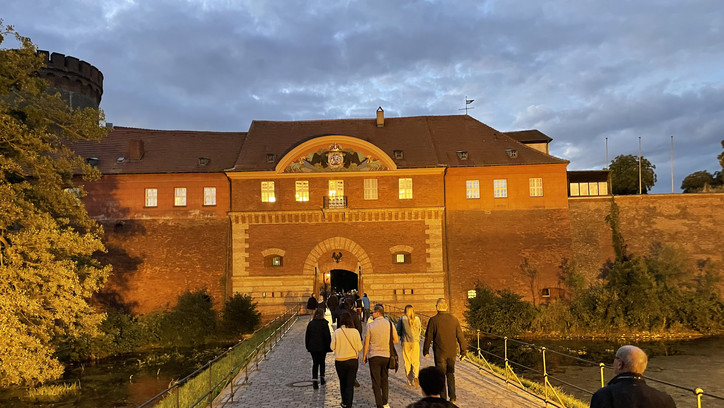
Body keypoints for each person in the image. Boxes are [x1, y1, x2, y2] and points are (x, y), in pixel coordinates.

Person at [590, 345, 676, 408]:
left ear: (620, 364)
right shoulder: (665, 400)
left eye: (615, 358)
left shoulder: (604, 395)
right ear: (644, 367)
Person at [423, 298, 465, 404]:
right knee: (450, 374)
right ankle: (453, 398)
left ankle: (443, 399)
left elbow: (428, 336)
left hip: (440, 352)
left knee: (440, 376)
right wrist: (463, 351)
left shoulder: (433, 320)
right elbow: (460, 336)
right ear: (446, 307)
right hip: (452, 352)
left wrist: (426, 350)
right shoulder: (454, 319)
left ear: (437, 307)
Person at [363, 304, 399, 408]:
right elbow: (396, 340)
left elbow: (366, 342)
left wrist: (364, 355)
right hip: (386, 355)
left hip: (374, 356)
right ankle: (385, 402)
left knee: (375, 381)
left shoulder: (370, 325)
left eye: (372, 312)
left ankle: (379, 404)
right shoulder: (390, 324)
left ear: (377, 313)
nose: (371, 314)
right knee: (385, 379)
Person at [331, 311, 362, 408]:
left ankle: (344, 401)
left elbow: (332, 347)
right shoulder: (355, 332)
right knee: (350, 383)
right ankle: (349, 404)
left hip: (340, 361)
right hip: (352, 361)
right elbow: (359, 347)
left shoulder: (337, 332)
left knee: (342, 382)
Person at [305, 307, 332, 389]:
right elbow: (328, 337)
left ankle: (315, 381)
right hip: (323, 347)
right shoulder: (324, 324)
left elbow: (307, 337)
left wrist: (308, 346)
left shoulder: (310, 324)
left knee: (315, 363)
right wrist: (328, 347)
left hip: (313, 348)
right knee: (322, 362)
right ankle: (322, 378)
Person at [397, 304, 422, 386]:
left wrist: (402, 336)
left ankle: (409, 379)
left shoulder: (402, 319)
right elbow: (419, 329)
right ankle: (416, 376)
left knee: (407, 361)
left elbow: (398, 331)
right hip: (415, 342)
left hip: (406, 342)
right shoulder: (417, 319)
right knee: (415, 361)